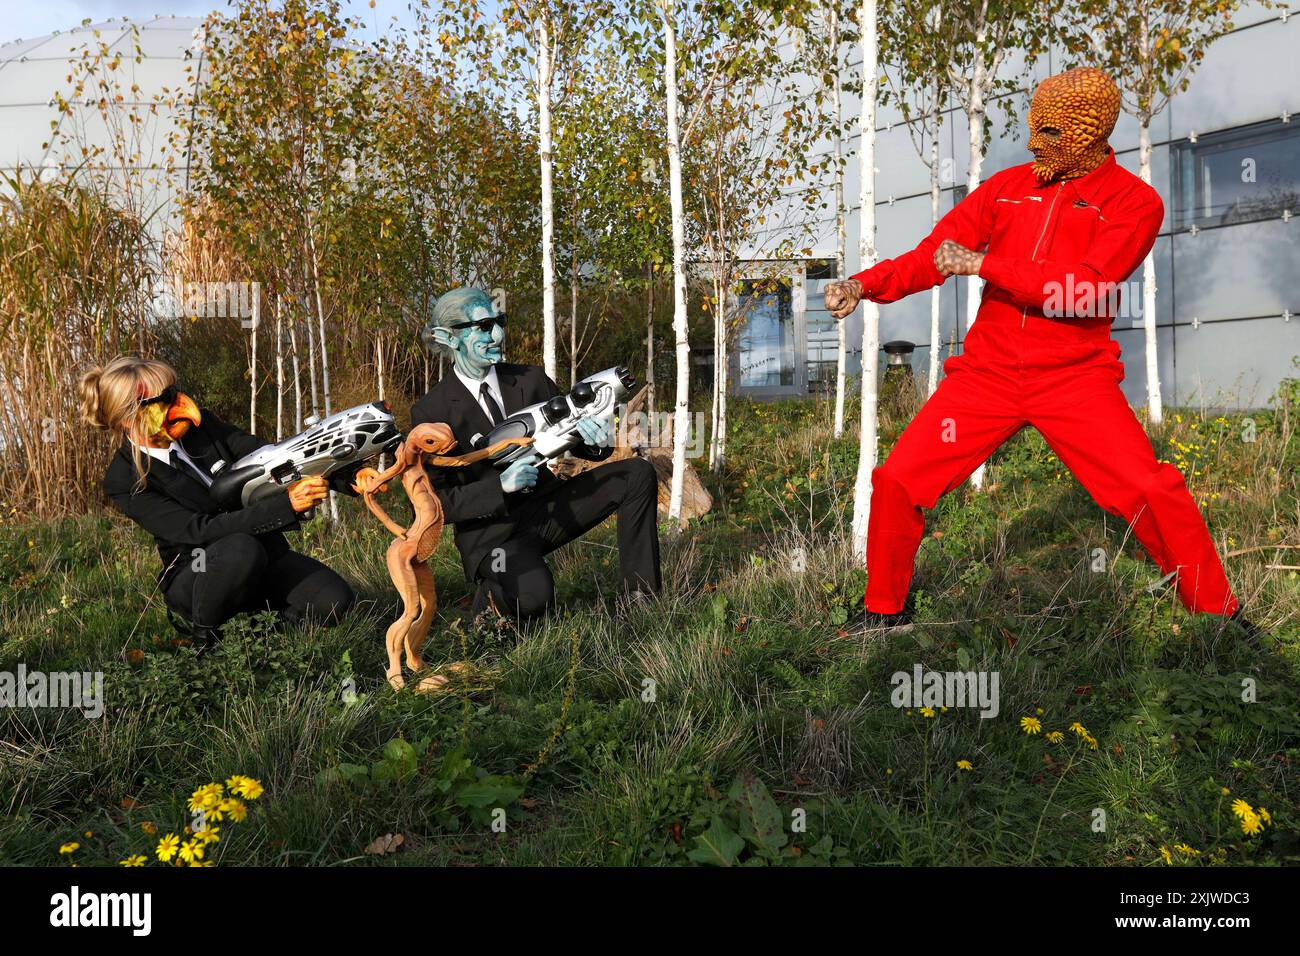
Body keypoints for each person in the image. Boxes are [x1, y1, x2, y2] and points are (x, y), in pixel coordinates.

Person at [823, 66, 1255, 635]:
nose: (1035, 142)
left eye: (1051, 133)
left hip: (1074, 380)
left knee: (1151, 488)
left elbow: (1085, 288)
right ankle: (884, 612)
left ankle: (1219, 617)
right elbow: (935, 253)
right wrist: (863, 285)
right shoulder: (1005, 188)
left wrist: (985, 264)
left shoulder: (1134, 202)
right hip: (987, 376)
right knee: (899, 479)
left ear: (1092, 129)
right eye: (1035, 126)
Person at [80, 355, 381, 647]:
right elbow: (199, 531)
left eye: (173, 391)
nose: (179, 402)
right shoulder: (124, 479)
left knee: (334, 602)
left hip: (263, 555)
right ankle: (206, 639)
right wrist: (285, 506)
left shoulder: (202, 427)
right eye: (163, 399)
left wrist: (349, 475)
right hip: (198, 571)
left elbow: (274, 457)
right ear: (127, 418)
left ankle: (259, 632)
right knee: (240, 547)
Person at [403, 287, 660, 620]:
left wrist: (596, 438)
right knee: (535, 598)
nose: (497, 334)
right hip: (492, 537)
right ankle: (491, 601)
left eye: (499, 321)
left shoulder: (531, 379)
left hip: (549, 509)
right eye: (483, 327)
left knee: (636, 474)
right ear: (450, 338)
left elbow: (582, 439)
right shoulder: (430, 411)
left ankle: (639, 600)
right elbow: (436, 504)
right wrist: (501, 487)